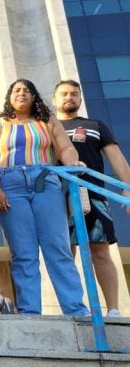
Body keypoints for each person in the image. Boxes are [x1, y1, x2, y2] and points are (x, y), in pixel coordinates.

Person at [0, 79, 89, 316]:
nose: (21, 93)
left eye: (27, 90)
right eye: (16, 90)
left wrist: (73, 163)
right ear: (9, 96)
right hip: (9, 186)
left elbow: (65, 148)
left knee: (58, 248)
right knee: (24, 252)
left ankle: (76, 310)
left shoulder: (48, 121)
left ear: (34, 97)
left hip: (46, 181)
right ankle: (30, 311)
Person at [53, 79, 130, 318]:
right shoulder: (47, 126)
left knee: (100, 249)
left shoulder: (95, 124)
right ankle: (72, 308)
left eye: (74, 94)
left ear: (80, 98)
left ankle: (114, 309)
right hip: (57, 197)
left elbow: (116, 157)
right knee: (66, 252)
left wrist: (127, 188)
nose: (69, 97)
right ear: (54, 100)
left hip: (94, 194)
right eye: (64, 94)